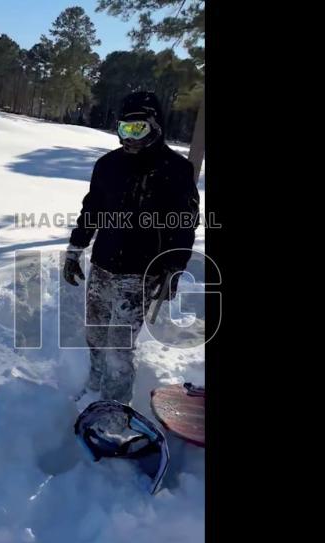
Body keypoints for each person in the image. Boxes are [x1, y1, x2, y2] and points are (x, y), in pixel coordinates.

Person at [64, 91, 200, 406]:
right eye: (125, 129)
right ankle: (95, 388)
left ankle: (114, 408)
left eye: (138, 129)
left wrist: (173, 269)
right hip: (102, 266)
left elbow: (184, 225)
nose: (130, 137)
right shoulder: (108, 165)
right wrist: (75, 249)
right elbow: (92, 209)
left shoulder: (175, 170)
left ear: (156, 127)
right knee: (96, 336)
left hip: (140, 274)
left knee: (119, 347)